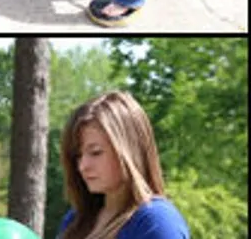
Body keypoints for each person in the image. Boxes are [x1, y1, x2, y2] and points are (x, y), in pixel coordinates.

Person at [56, 91, 189, 238]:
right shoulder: (75, 221)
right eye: (78, 155)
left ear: (129, 151)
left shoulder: (156, 222)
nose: (83, 166)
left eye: (96, 152)